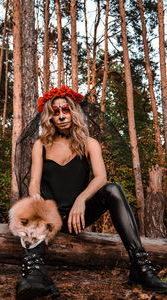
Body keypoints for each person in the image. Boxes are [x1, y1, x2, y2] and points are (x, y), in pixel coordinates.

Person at [16, 86, 167, 300]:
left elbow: (100, 177)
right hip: (47, 216)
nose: (61, 116)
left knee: (113, 189)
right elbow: (33, 182)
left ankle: (140, 267)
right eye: (55, 112)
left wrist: (81, 199)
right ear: (50, 117)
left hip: (77, 217)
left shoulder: (89, 143)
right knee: (30, 203)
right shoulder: (41, 144)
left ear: (74, 111)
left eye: (65, 110)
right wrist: (35, 198)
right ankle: (35, 273)